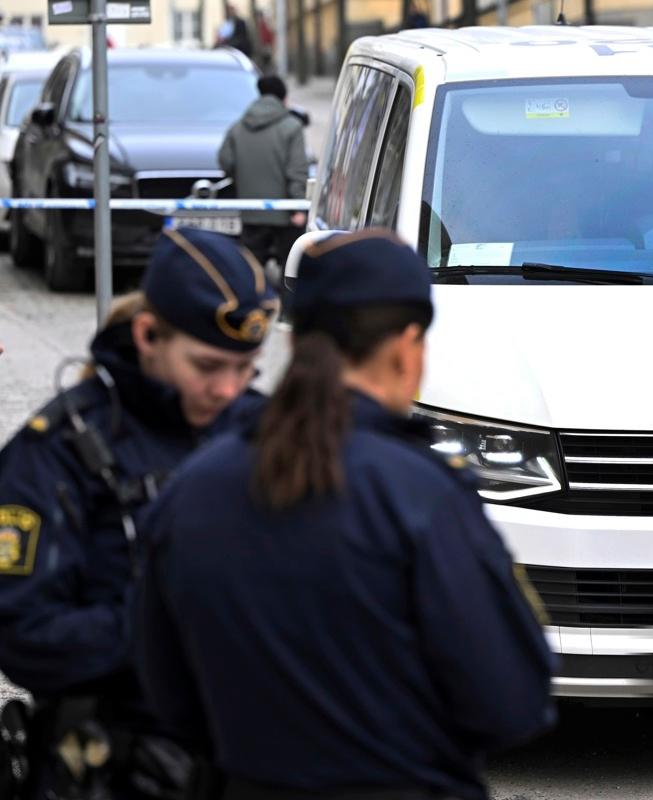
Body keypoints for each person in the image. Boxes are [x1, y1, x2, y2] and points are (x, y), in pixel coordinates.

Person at [134, 230, 556, 800]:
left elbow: (165, 694)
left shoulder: (191, 491)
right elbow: (511, 702)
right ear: (408, 347)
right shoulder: (422, 496)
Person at [0, 229, 276, 800]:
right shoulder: (55, 453)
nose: (228, 389)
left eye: (246, 367)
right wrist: (168, 625)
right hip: (121, 768)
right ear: (149, 335)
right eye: (207, 365)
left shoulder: (263, 429)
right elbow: (21, 635)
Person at [219, 75, 308, 269]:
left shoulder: (238, 127)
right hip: (286, 215)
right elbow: (297, 170)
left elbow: (225, 161)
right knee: (290, 270)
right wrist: (298, 206)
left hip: (251, 212)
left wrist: (242, 180)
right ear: (283, 98)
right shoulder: (292, 127)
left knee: (251, 269)